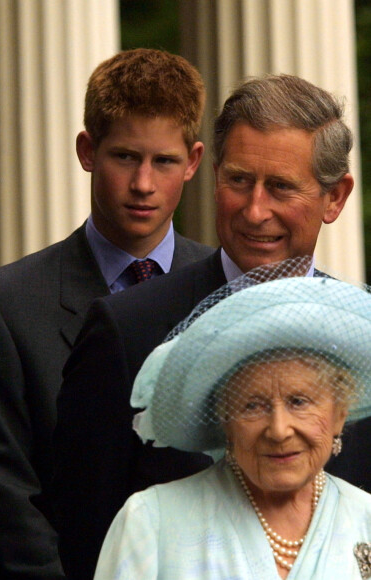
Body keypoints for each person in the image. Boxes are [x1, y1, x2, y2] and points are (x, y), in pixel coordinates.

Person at [52, 74, 355, 579]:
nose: (255, 211)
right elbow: (87, 536)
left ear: (335, 198)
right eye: (238, 181)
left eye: (280, 187)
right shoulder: (127, 330)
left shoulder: (360, 337)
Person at [0, 48, 213, 579]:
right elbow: (3, 497)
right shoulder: (5, 305)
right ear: (87, 150)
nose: (144, 184)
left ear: (193, 161)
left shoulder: (229, 289)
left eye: (165, 161)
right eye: (125, 157)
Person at [94, 269, 371, 579]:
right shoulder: (152, 522)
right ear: (224, 419)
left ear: (340, 413)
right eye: (253, 405)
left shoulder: (365, 519)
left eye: (299, 402)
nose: (279, 430)